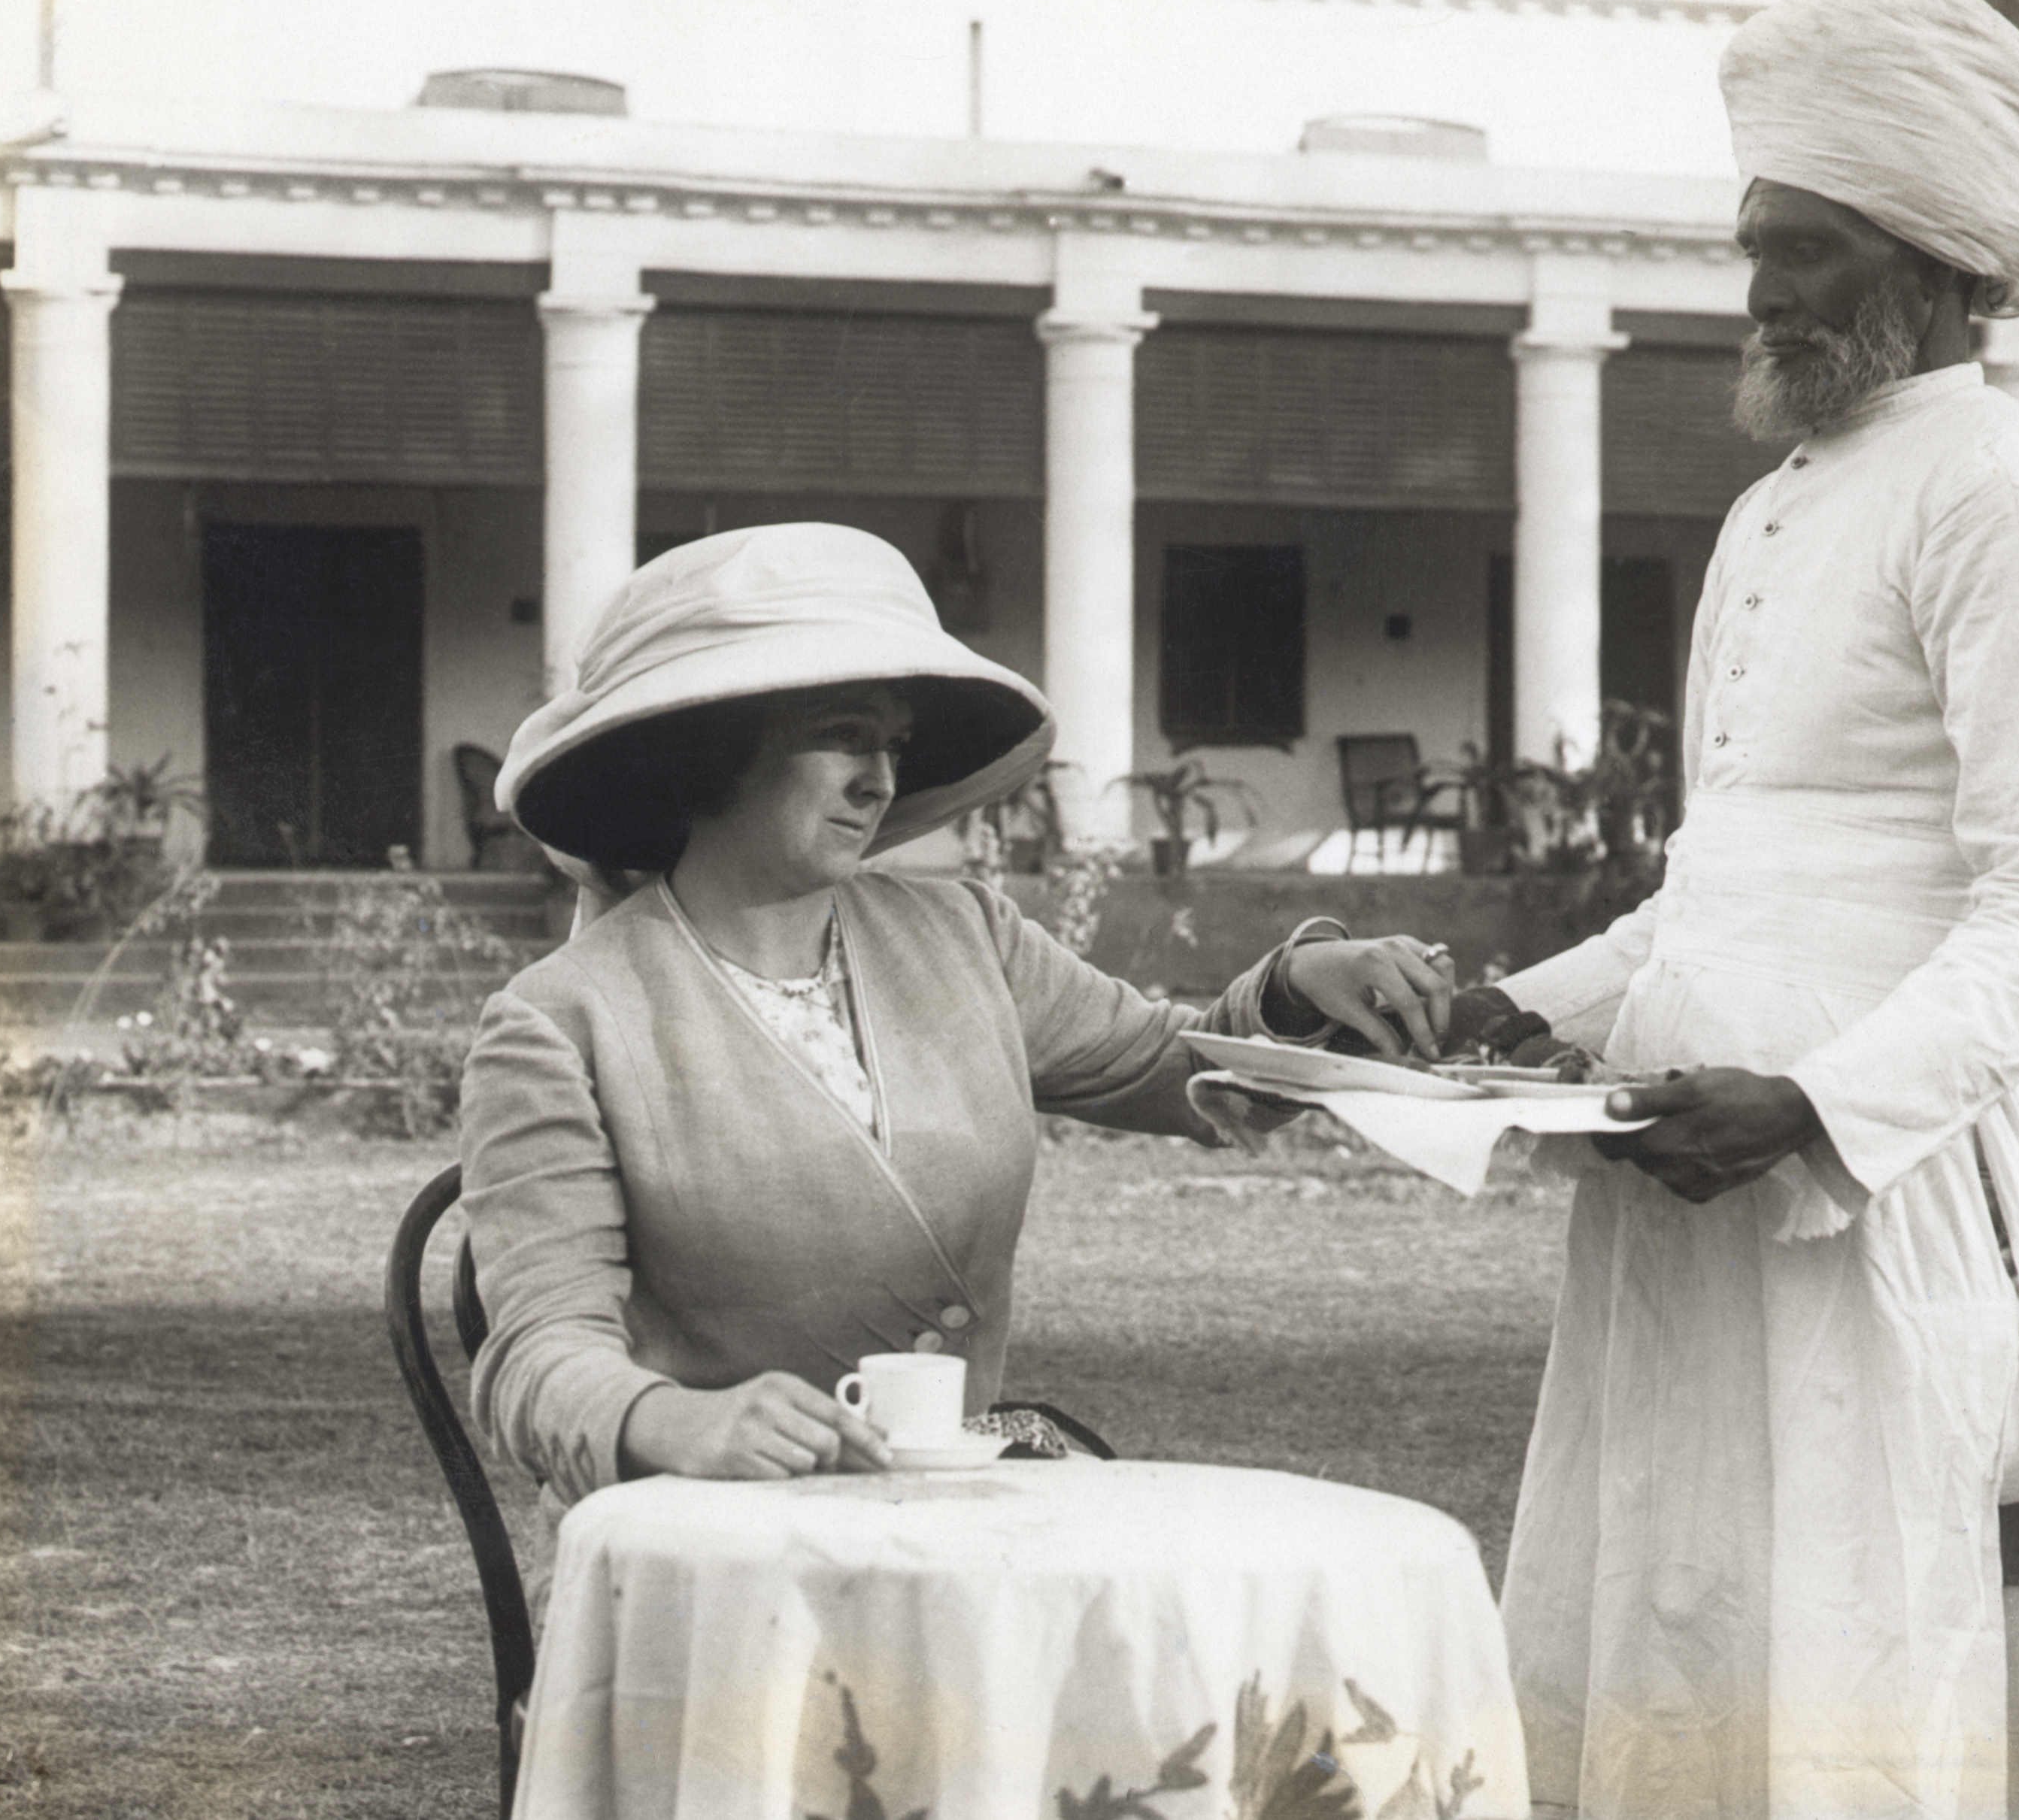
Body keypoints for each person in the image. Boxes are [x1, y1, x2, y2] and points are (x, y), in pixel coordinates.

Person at [1445, 0, 2019, 1818]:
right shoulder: (1768, 508)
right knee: (1676, 1597)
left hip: (1873, 1194)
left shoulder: (2002, 482)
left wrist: (1819, 1109)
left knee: (1862, 1608)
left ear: (1927, 259)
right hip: (1682, 1178)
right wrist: (1521, 1017)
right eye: (1753, 244)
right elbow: (1723, 885)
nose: (1757, 292)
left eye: (1804, 250)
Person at [459, 522, 1454, 1501]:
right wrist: (676, 1422)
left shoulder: (965, 934)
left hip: (953, 1506)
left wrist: (1296, 984)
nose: (881, 778)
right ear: (708, 749)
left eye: (892, 743)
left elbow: (1177, 1072)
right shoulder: (559, 1022)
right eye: (842, 736)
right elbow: (539, 1354)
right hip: (698, 1546)